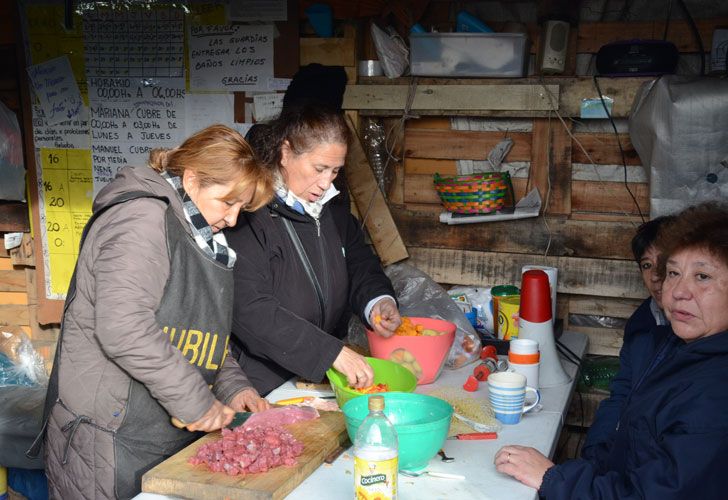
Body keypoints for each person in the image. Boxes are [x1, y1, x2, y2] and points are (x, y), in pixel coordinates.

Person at [38, 125, 274, 499]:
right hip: (108, 436)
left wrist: (232, 386)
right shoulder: (142, 220)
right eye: (227, 203)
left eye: (241, 208)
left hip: (155, 426)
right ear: (192, 178)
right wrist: (196, 401)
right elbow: (124, 328)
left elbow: (197, 326)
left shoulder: (196, 231)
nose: (232, 219)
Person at [494, 201, 728, 499]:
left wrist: (555, 478)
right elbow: (629, 425)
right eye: (673, 273)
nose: (678, 291)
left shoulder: (716, 396)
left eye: (702, 276)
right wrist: (588, 466)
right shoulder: (678, 345)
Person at [226, 105, 402, 396]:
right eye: (319, 168)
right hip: (264, 383)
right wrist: (330, 352)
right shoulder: (248, 215)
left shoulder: (331, 210)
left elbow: (360, 264)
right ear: (285, 153)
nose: (325, 183)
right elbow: (251, 310)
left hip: (322, 375)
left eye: (335, 171)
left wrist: (377, 300)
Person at [581, 216, 674, 462]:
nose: (655, 276)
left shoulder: (703, 336)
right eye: (646, 265)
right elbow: (622, 395)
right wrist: (596, 451)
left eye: (664, 263)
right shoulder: (642, 324)